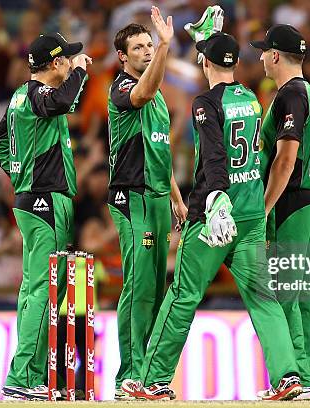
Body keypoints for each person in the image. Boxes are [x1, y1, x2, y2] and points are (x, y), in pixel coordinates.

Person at [119, 32, 305, 401]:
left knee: (183, 295)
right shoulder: (251, 97)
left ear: (205, 63)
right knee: (263, 298)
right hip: (252, 212)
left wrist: (217, 199)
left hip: (214, 214)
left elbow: (216, 158)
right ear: (234, 63)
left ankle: (153, 378)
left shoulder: (205, 102)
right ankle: (288, 376)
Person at [0, 32, 91, 400]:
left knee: (33, 289)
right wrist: (81, 74)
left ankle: (28, 374)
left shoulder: (20, 96)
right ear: (54, 64)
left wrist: (19, 175)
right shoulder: (37, 95)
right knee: (43, 291)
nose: (72, 62)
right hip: (45, 200)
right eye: (67, 59)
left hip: (32, 199)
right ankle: (22, 377)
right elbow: (62, 101)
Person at [106, 7, 188, 400]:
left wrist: (176, 198)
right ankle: (130, 375)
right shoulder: (123, 88)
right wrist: (168, 45)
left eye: (149, 45)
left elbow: (159, 151)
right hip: (132, 196)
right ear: (123, 57)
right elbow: (145, 91)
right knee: (140, 286)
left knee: (153, 287)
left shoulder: (155, 100)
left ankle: (147, 375)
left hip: (157, 197)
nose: (146, 51)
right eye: (138, 47)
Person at [250, 24, 310, 399]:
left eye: (264, 51)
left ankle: (293, 379)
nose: (261, 57)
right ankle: (309, 378)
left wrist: (264, 207)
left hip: (291, 202)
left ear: (276, 55)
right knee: (304, 295)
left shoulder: (290, 94)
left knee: (284, 295)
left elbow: (285, 158)